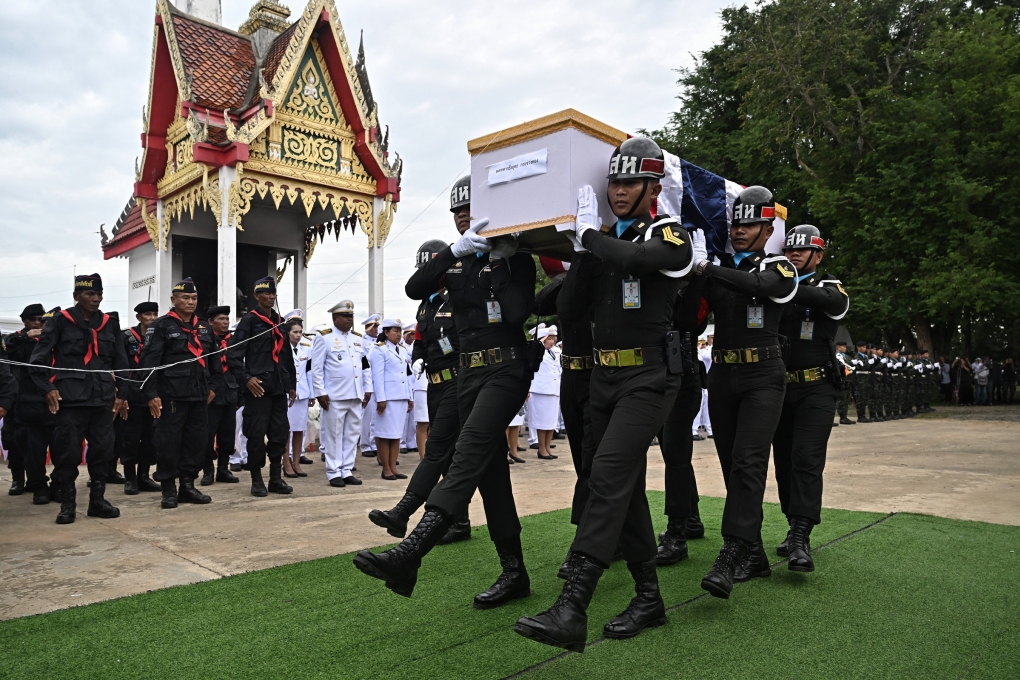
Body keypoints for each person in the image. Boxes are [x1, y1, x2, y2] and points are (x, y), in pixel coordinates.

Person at [516, 137, 694, 650]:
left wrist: (591, 237)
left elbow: (641, 261)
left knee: (610, 474)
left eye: (630, 182)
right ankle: (648, 596)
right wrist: (580, 252)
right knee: (618, 483)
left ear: (653, 188)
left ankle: (573, 606)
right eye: (613, 181)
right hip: (603, 378)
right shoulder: (600, 244)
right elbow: (566, 311)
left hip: (651, 376)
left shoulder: (671, 237)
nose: (619, 191)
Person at [355, 173, 536, 610]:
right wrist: (455, 253)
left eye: (469, 209)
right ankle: (515, 572)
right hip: (467, 376)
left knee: (467, 453)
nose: (462, 218)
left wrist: (504, 262)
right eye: (457, 212)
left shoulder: (516, 259)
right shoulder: (459, 262)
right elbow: (415, 287)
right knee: (492, 477)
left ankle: (411, 552)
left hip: (506, 369)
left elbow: (515, 314)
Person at [692, 186, 797, 599]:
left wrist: (708, 270)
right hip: (723, 374)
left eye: (750, 224)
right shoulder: (717, 269)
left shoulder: (780, 266)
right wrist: (688, 278)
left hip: (763, 375)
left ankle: (732, 551)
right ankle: (753, 551)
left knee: (749, 462)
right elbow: (694, 322)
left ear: (768, 228)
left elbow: (764, 286)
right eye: (735, 223)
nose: (739, 231)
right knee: (731, 464)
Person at [370, 238, 473, 546]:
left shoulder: (457, 296)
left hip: (458, 380)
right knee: (452, 456)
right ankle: (459, 520)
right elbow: (420, 340)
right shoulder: (426, 303)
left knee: (439, 450)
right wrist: (417, 360)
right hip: (434, 383)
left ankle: (404, 512)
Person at [764, 225, 850, 577]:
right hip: (780, 387)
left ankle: (801, 536)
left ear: (818, 255)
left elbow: (833, 302)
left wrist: (784, 284)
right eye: (790, 249)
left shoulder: (827, 287)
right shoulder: (775, 282)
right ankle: (792, 524)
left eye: (803, 250)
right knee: (783, 461)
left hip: (816, 388)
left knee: (806, 459)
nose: (795, 254)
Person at [29, 274, 128, 524]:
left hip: (102, 398)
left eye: (99, 294)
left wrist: (123, 394)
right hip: (70, 400)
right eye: (89, 294)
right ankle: (67, 503)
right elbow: (37, 361)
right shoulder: (60, 321)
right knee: (67, 453)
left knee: (103, 451)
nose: (96, 299)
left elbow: (121, 362)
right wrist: (47, 389)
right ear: (76, 296)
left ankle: (98, 500)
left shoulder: (109, 323)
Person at [138, 278, 214, 508]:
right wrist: (151, 394)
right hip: (170, 395)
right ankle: (168, 489)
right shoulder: (161, 325)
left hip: (198, 394)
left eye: (194, 298)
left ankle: (188, 486)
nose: (191, 302)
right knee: (168, 443)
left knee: (196, 442)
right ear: (173, 300)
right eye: (185, 298)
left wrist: (214, 387)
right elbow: (148, 362)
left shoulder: (204, 326)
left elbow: (214, 360)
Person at [226, 276, 296, 497]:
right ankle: (257, 479)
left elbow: (287, 357)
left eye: (273, 293)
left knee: (279, 433)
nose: (271, 296)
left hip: (278, 387)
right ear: (256, 296)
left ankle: (276, 478)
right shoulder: (249, 321)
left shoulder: (280, 322)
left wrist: (292, 384)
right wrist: (246, 379)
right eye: (266, 293)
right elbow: (233, 356)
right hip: (258, 389)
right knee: (255, 435)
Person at [310, 299, 372, 488]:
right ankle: (333, 471)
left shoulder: (357, 338)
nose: (349, 319)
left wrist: (368, 388)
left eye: (351, 316)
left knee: (352, 434)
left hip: (355, 394)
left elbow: (365, 366)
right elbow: (317, 368)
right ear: (335, 318)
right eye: (345, 316)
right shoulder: (324, 337)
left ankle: (347, 469)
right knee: (334, 435)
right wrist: (320, 392)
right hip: (334, 395)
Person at [3, 303, 53, 502]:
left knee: (52, 444)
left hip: (47, 398)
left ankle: (50, 484)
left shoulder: (49, 338)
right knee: (16, 442)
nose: (37, 323)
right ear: (24, 321)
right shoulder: (17, 339)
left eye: (41, 319)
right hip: (20, 399)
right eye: (33, 319)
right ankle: (18, 480)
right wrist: (26, 336)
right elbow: (6, 346)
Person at [116, 301, 162, 495]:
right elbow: (121, 367)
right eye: (147, 315)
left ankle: (144, 476)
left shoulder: (160, 336)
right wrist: (122, 395)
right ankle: (130, 478)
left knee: (151, 438)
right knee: (131, 438)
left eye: (154, 314)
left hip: (152, 394)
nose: (152, 318)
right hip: (132, 395)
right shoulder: (126, 337)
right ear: (138, 317)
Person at [370, 319, 414, 480]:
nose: (399, 334)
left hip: (401, 396)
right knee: (384, 434)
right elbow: (377, 376)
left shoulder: (401, 350)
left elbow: (406, 375)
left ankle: (394, 466)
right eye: (395, 331)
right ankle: (386, 468)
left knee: (396, 435)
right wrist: (381, 398)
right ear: (386, 332)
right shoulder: (379, 350)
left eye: (400, 331)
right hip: (388, 398)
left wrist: (409, 397)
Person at [202, 306, 240, 486]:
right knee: (208, 434)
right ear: (210, 322)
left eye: (227, 319)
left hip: (230, 392)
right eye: (221, 319)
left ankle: (223, 469)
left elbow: (240, 366)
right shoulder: (205, 340)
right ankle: (208, 470)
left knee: (227, 433)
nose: (225, 322)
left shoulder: (234, 341)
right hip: (211, 394)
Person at [284, 317, 313, 478]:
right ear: (288, 333)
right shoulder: (283, 348)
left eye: (300, 332)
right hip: (288, 395)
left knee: (299, 430)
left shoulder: (306, 349)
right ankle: (286, 462)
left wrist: (312, 394)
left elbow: (309, 373)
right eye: (295, 332)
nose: (298, 335)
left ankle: (296, 462)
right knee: (286, 430)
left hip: (302, 393)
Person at [529, 326, 561, 460]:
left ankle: (548, 447)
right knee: (542, 422)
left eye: (553, 339)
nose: (552, 342)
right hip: (541, 390)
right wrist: (540, 342)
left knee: (551, 423)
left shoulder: (554, 352)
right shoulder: (537, 351)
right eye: (549, 339)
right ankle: (542, 448)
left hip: (553, 390)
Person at [360, 313, 382, 459]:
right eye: (373, 327)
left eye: (377, 327)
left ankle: (374, 444)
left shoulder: (380, 343)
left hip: (378, 382)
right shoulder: (361, 342)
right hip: (366, 383)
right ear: (367, 328)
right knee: (366, 416)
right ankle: (365, 444)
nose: (375, 329)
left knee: (376, 416)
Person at [834, 341, 855, 425]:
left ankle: (844, 417)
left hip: (848, 380)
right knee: (840, 399)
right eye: (843, 347)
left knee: (846, 398)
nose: (845, 348)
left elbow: (851, 364)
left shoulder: (847, 356)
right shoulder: (836, 355)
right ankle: (840, 417)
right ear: (838, 347)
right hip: (841, 379)